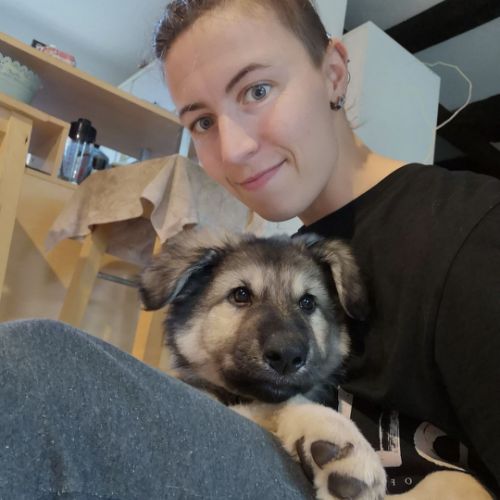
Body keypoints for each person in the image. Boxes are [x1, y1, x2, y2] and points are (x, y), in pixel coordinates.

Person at [0, 0, 498, 498]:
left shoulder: (473, 231)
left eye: (257, 90)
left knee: (40, 365)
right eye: (202, 122)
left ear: (333, 74)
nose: (233, 149)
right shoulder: (290, 254)